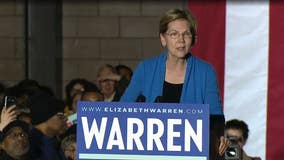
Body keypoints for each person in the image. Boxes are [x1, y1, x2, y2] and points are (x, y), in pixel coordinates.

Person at [120, 8, 223, 115]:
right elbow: (122, 109)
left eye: (186, 34)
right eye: (174, 34)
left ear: (192, 39)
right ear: (163, 39)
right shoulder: (146, 68)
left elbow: (215, 117)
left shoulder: (206, 72)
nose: (181, 40)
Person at [28, 92, 67, 160]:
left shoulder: (54, 142)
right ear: (45, 119)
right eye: (60, 116)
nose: (66, 119)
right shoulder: (31, 146)